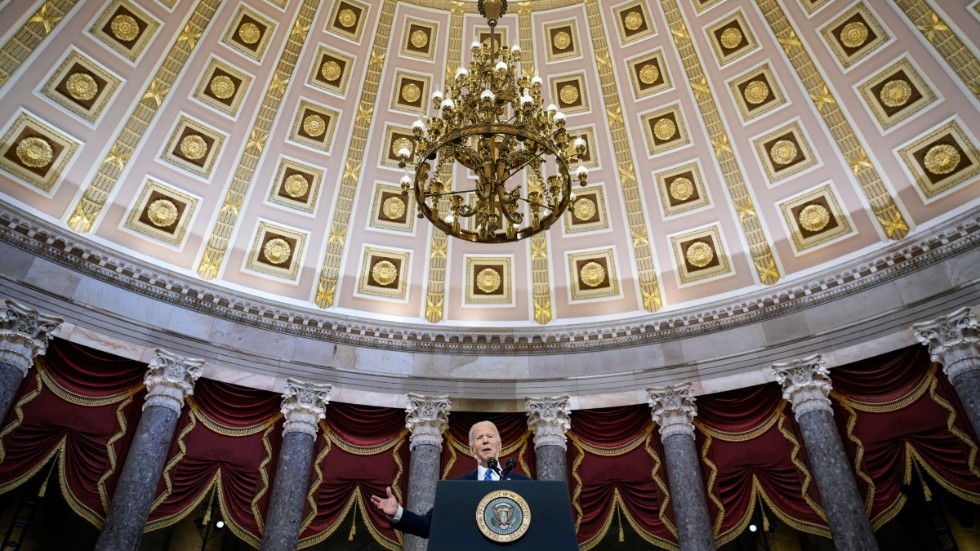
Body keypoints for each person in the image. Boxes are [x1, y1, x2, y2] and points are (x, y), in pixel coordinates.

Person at [370, 420, 530, 538]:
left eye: (490, 436)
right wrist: (397, 512)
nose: (486, 440)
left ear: (500, 445)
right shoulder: (456, 488)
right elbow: (429, 526)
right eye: (479, 437)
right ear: (472, 449)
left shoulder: (525, 485)